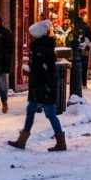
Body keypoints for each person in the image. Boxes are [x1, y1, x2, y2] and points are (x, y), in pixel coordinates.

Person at [8, 20, 66, 152]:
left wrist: (31, 70)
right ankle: (23, 140)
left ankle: (60, 142)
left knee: (49, 113)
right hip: (42, 85)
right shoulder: (42, 47)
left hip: (43, 85)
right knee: (33, 111)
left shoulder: (41, 49)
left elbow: (43, 69)